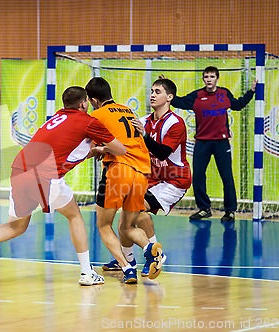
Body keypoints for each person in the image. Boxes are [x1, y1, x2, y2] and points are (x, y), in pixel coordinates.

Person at [0, 86, 126, 286]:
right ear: (83, 103)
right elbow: (120, 150)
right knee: (74, 216)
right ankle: (87, 273)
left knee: (16, 226)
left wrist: (93, 150)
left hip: (19, 170)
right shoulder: (88, 121)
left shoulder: (56, 119)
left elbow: (67, 150)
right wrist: (104, 148)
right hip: (45, 176)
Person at [102, 78, 191, 279]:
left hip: (173, 180)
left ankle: (154, 253)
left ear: (169, 97)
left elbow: (162, 153)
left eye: (158, 91)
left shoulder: (175, 123)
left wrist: (144, 137)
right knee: (128, 214)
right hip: (152, 178)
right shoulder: (142, 121)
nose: (152, 94)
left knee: (137, 210)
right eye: (151, 91)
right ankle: (129, 259)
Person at [86, 77, 162, 284]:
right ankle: (150, 249)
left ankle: (127, 268)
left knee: (103, 225)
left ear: (93, 100)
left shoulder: (97, 115)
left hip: (119, 170)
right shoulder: (127, 110)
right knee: (127, 227)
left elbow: (91, 149)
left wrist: (98, 150)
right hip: (142, 172)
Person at [171, 66, 257, 222]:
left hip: (221, 143)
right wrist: (165, 87)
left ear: (217, 78)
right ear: (203, 79)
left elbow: (238, 105)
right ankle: (204, 209)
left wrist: (251, 91)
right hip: (202, 142)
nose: (209, 79)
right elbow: (178, 101)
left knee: (226, 177)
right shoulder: (197, 96)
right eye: (206, 77)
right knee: (197, 176)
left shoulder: (224, 94)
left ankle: (230, 211)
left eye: (212, 76)